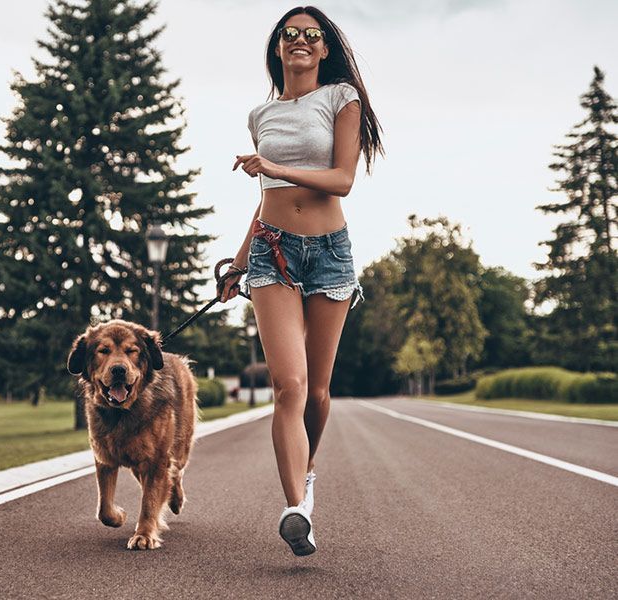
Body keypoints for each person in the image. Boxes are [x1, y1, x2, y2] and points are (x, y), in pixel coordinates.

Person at [218, 5, 384, 556]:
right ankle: (296, 509)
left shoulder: (342, 99)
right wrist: (239, 262)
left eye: (312, 36)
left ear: (324, 48)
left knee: (316, 390)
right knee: (288, 386)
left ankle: (306, 473)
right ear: (278, 47)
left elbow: (341, 180)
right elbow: (265, 202)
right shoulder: (260, 115)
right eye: (290, 34)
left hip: (330, 254)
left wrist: (277, 168)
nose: (301, 42)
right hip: (272, 253)